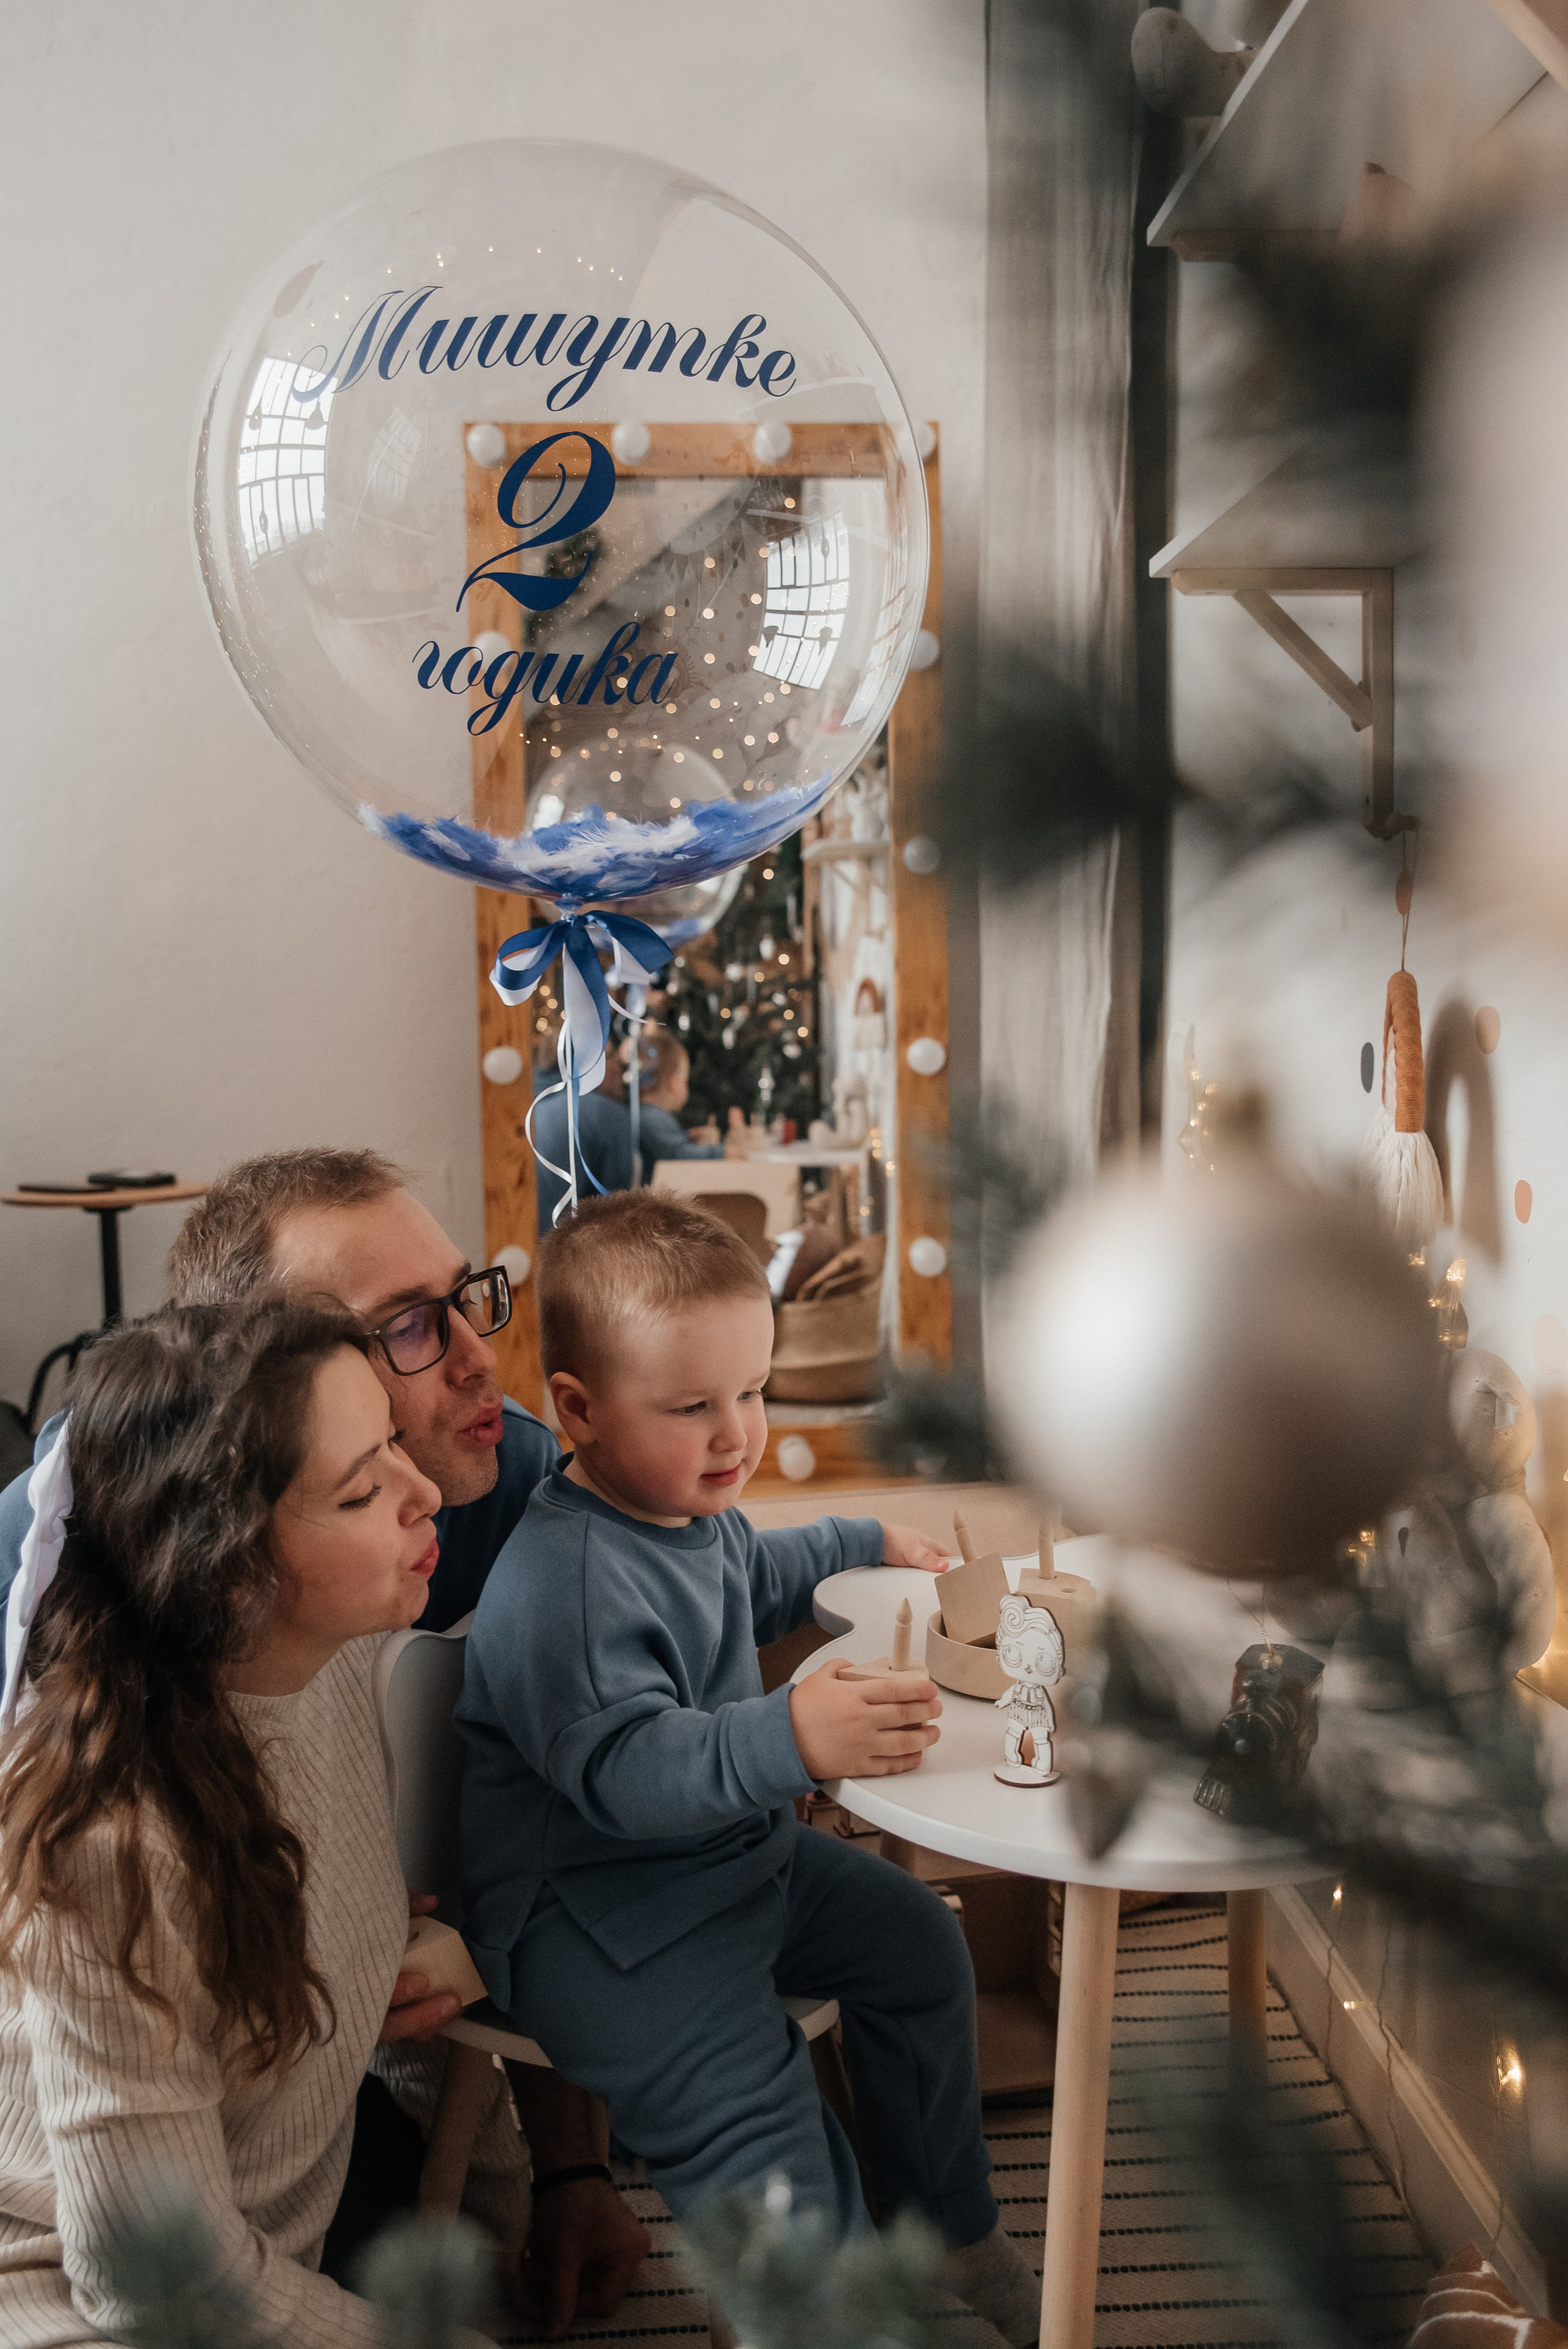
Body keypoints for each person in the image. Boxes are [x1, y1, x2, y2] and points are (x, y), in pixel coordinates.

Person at [0, 1150, 647, 2336]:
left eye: (465, 1296)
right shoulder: (110, 1815)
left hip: (257, 2201)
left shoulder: (351, 1623)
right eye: (402, 1328)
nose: (472, 1358)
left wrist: (542, 2192)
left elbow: (373, 1979)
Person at [458, 1193, 1042, 2348]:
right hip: (601, 1924)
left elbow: (752, 1574)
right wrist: (789, 1738)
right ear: (576, 1410)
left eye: (753, 1391)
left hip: (724, 1867)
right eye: (693, 1406)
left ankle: (947, 2223)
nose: (737, 1434)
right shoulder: (564, 1580)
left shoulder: (683, 1503)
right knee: (770, 2146)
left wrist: (862, 1537)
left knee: (922, 1946)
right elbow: (625, 1768)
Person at [532, 1043, 636, 1230]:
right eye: (610, 1056)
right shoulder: (605, 1113)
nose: (618, 1067)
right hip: (557, 1247)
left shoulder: (525, 1104)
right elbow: (617, 1209)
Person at [629, 1029, 724, 1183]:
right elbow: (676, 1155)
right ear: (673, 1082)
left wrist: (687, 1137)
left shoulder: (646, 1115)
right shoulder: (652, 1116)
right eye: (684, 1080)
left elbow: (664, 1144)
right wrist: (721, 1153)